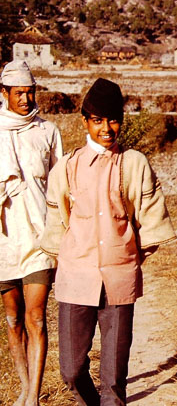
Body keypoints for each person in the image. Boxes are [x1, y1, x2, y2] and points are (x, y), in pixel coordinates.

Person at [40, 78, 175, 406]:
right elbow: (57, 223)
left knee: (113, 381)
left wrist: (127, 259)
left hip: (118, 280)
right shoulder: (67, 167)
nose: (106, 129)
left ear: (121, 121)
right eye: (98, 120)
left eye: (113, 120)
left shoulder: (134, 164)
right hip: (76, 279)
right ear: (85, 121)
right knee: (71, 371)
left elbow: (151, 221)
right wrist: (72, 258)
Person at [1, 61, 63, 406]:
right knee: (13, 319)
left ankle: (34, 397)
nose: (25, 99)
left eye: (30, 92)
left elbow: (60, 186)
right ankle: (24, 389)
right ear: (4, 93)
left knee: (35, 316)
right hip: (4, 240)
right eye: (18, 93)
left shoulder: (48, 131)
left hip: (40, 236)